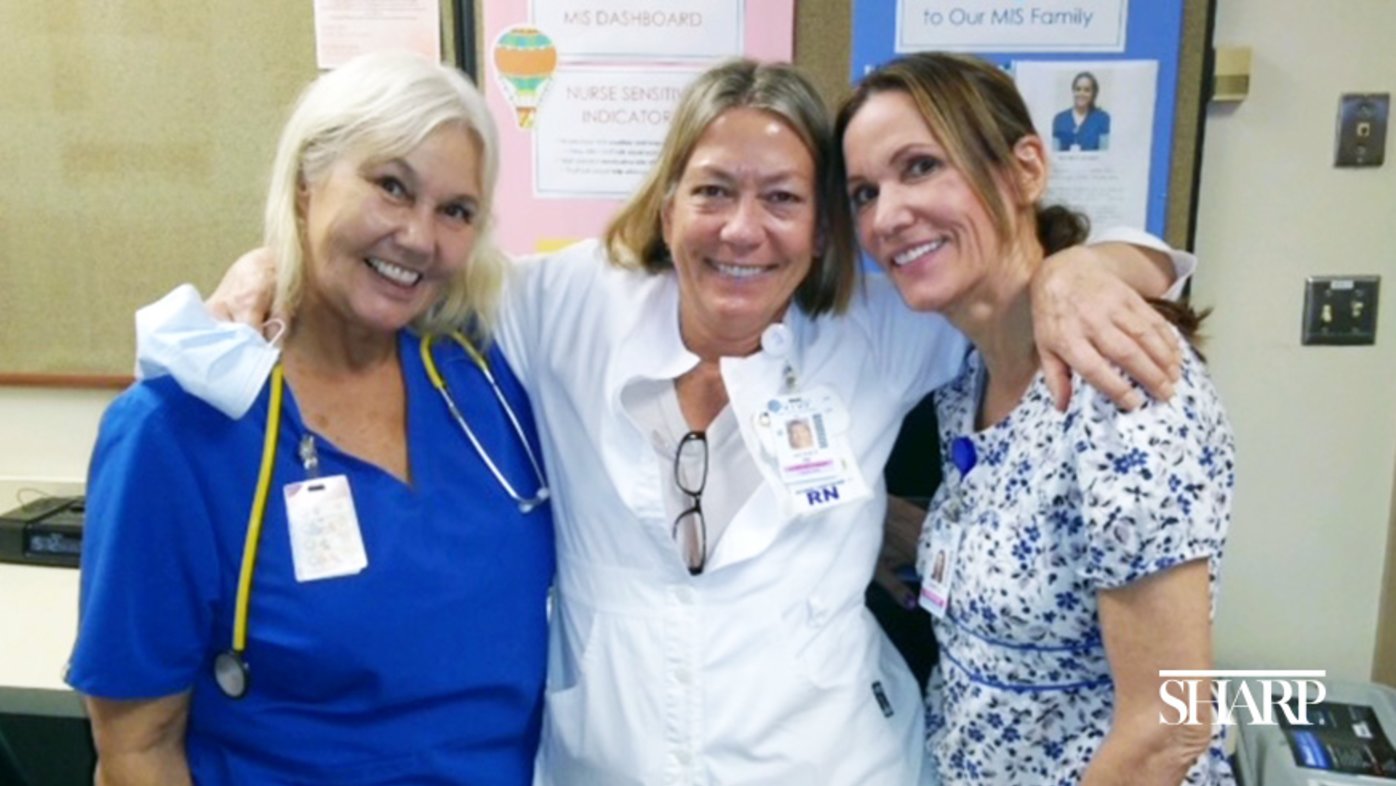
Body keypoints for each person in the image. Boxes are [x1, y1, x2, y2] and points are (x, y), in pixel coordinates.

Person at [151, 59, 1195, 784]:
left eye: (785, 198)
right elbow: (408, 267)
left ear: (825, 225)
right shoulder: (563, 305)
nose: (744, 229)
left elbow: (1009, 261)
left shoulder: (874, 325)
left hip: (826, 767)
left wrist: (1090, 268)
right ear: (665, 203)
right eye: (712, 191)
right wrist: (264, 266)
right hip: (601, 764)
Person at [66, 52, 554, 785]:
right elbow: (138, 749)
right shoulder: (178, 433)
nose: (420, 238)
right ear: (305, 186)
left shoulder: (489, 381)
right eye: (392, 186)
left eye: (456, 211)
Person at [839, 52, 1235, 785]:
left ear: (1025, 169)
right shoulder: (966, 382)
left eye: (922, 166)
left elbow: (1170, 727)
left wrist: (1081, 268)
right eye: (864, 191)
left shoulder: (1120, 387)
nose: (887, 215)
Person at [1053, 71, 1111, 152]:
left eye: (1087, 90)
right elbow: (1054, 155)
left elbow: (1105, 155)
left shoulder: (1103, 119)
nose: (1081, 93)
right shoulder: (1060, 119)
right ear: (1073, 91)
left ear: (1093, 93)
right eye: (1078, 89)